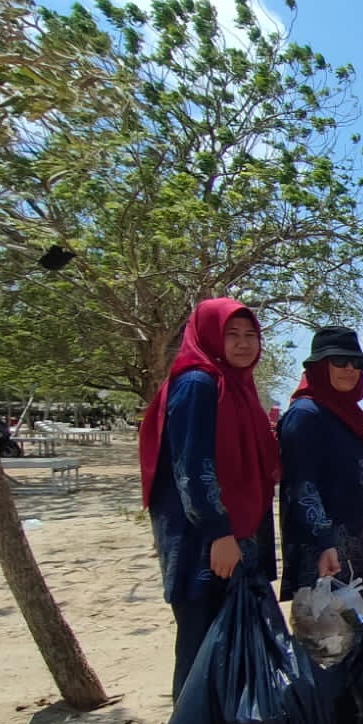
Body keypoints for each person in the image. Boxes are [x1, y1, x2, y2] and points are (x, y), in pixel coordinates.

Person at [139, 298, 279, 701]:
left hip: (239, 537)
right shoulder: (199, 384)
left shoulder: (238, 387)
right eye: (230, 334)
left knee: (233, 649)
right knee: (202, 649)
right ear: (209, 337)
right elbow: (191, 466)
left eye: (251, 335)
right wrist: (218, 532)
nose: (243, 344)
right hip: (204, 542)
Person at [277, 327, 363, 601]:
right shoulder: (305, 415)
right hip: (325, 557)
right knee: (325, 640)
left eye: (356, 363)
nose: (349, 369)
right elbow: (301, 488)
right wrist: (324, 542)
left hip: (355, 554)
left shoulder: (350, 417)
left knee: (350, 636)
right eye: (339, 361)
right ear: (320, 366)